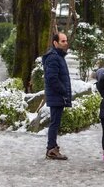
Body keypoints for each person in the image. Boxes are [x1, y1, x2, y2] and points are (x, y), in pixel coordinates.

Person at [42, 32, 71, 160]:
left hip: (58, 96)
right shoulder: (54, 57)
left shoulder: (59, 56)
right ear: (55, 43)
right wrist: (63, 91)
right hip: (57, 96)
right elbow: (51, 78)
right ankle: (51, 148)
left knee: (55, 122)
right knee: (54, 122)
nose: (66, 43)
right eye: (63, 41)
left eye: (66, 41)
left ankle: (52, 147)